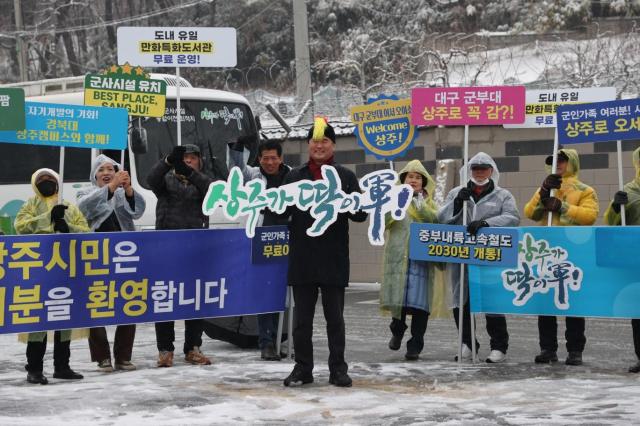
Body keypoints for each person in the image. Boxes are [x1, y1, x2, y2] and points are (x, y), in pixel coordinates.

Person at [282, 117, 367, 387]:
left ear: (333, 145)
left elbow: (360, 214)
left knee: (335, 320)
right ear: (308, 145)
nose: (319, 146)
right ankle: (303, 368)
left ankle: (338, 370)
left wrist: (348, 202)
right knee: (301, 322)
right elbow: (280, 209)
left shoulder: (345, 177)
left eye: (325, 141)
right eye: (315, 141)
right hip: (303, 259)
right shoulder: (294, 177)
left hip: (333, 259)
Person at [437, 152, 520, 363]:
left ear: (492, 171)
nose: (480, 172)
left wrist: (486, 224)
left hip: (489, 256)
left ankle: (499, 346)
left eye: (484, 168)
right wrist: (456, 204)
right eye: (476, 168)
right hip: (461, 256)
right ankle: (467, 342)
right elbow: (440, 218)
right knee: (460, 300)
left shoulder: (503, 195)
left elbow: (513, 218)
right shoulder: (457, 192)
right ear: (470, 171)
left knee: (491, 301)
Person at [14, 168, 89, 384]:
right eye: (41, 179)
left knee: (64, 319)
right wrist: (48, 218)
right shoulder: (29, 205)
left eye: (50, 178)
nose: (46, 181)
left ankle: (62, 366)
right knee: (39, 322)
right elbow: (20, 227)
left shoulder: (69, 206)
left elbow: (86, 231)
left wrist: (66, 225)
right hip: (40, 272)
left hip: (65, 270)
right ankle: (35, 369)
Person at [524, 148, 599, 366]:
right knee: (545, 301)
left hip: (572, 252)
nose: (557, 164)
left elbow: (590, 216)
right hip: (546, 251)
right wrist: (544, 191)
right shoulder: (546, 185)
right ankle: (548, 349)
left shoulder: (585, 190)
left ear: (572, 163)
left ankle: (575, 350)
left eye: (562, 161)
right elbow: (530, 212)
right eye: (554, 161)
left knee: (572, 302)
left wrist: (563, 206)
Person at [77, 154, 146, 372]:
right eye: (102, 170)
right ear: (94, 175)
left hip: (125, 257)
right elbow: (84, 209)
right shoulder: (85, 193)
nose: (107, 173)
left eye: (111, 169)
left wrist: (127, 190)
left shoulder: (120, 192)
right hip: (96, 257)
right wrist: (110, 189)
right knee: (96, 305)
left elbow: (136, 212)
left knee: (129, 302)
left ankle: (123, 356)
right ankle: (102, 357)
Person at [147, 144, 213, 367]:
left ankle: (193, 347)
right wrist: (167, 161)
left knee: (195, 298)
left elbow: (214, 191)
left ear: (199, 162)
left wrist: (191, 175)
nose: (187, 162)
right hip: (167, 249)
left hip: (197, 249)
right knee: (165, 297)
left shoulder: (203, 181)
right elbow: (151, 179)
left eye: (192, 158)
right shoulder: (165, 181)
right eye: (183, 158)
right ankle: (165, 350)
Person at [228, 138, 291, 361]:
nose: (270, 162)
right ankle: (266, 343)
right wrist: (237, 147)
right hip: (261, 240)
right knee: (266, 293)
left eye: (274, 158)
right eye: (265, 158)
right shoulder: (254, 175)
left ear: (281, 158)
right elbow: (236, 168)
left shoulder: (292, 175)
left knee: (283, 296)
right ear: (259, 159)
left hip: (286, 240)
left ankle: (278, 340)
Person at [380, 160, 442, 361]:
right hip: (398, 258)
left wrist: (418, 202)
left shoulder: (430, 203)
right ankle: (397, 332)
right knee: (399, 302)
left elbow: (435, 220)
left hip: (421, 262)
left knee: (420, 307)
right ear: (403, 179)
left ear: (424, 182)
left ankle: (415, 345)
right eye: (410, 176)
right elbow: (385, 221)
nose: (413, 180)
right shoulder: (393, 199)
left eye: (417, 177)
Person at [603, 147, 639, 373]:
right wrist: (617, 207)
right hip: (636, 259)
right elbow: (611, 222)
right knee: (638, 312)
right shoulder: (628, 190)